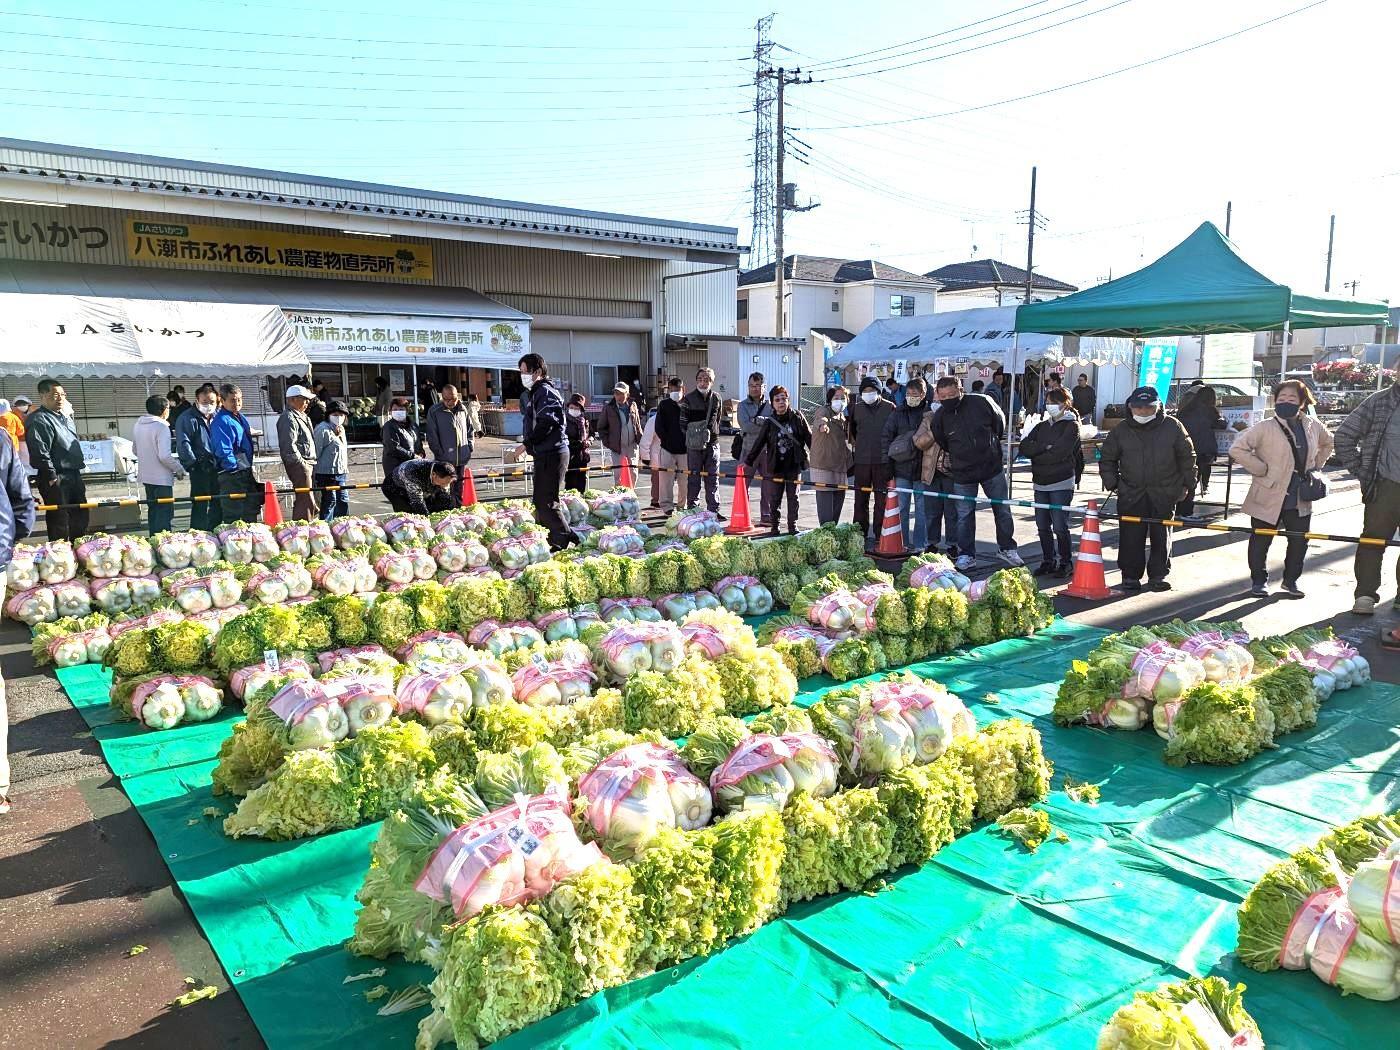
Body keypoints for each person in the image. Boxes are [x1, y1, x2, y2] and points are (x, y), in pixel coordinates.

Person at [1228, 380, 1332, 599]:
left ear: (1302, 402)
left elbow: (1329, 442)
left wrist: (1315, 466)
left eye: (1292, 399)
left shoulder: (1313, 425)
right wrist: (1260, 468)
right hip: (1268, 491)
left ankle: (1291, 581)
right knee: (1261, 540)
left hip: (1300, 495)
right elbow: (1238, 449)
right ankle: (1259, 582)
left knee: (1299, 540)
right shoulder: (1264, 427)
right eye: (1281, 398)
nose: (1286, 402)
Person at [1099, 386, 1195, 593]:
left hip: (1165, 491)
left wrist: (1188, 485)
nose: (1143, 412)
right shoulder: (1121, 430)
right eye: (1138, 407)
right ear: (1131, 407)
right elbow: (1107, 459)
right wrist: (1114, 484)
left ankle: (1158, 575)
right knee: (1130, 535)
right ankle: (1130, 576)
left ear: (1158, 406)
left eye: (1148, 408)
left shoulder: (1173, 426)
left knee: (1162, 535)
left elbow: (1188, 458)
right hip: (1131, 492)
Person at [931, 376, 1022, 571]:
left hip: (991, 467)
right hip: (962, 472)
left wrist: (990, 447)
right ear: (938, 395)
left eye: (952, 395)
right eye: (944, 396)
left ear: (961, 390)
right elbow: (942, 441)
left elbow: (1000, 424)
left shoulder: (981, 401)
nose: (948, 399)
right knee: (964, 515)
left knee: (1002, 509)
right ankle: (966, 554)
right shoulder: (939, 417)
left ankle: (1007, 548)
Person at [1332, 376, 1400, 615]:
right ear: (1397, 372)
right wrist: (1362, 471)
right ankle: (1365, 595)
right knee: (1373, 541)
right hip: (1385, 485)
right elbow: (1344, 435)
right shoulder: (1379, 401)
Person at [1017, 388, 1086, 578]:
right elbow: (1025, 446)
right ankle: (1048, 560)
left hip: (1061, 481)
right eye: (1048, 401)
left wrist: (1038, 454)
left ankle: (1066, 562)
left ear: (1065, 404)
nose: (1050, 405)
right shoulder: (1041, 426)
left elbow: (1060, 452)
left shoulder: (1071, 426)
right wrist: (1043, 448)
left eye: (1054, 401)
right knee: (1042, 525)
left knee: (1060, 525)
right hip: (1040, 482)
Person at [518, 353, 574, 550]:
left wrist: (526, 444)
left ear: (538, 372)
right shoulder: (536, 392)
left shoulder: (545, 392)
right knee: (541, 500)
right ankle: (555, 538)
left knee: (547, 500)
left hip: (553, 452)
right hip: (544, 453)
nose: (522, 376)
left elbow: (547, 422)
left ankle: (563, 539)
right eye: (521, 372)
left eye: (525, 372)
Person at [26, 378, 89, 542]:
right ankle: (59, 556)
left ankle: (79, 551)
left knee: (80, 515)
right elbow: (40, 451)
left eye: (62, 394)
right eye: (55, 394)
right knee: (60, 519)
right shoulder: (39, 419)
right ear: (43, 396)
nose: (60, 398)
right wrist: (51, 476)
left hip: (73, 473)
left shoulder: (64, 417)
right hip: (56, 476)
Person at [746, 385, 811, 535]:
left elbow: (809, 438)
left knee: (793, 497)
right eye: (777, 400)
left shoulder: (798, 417)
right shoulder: (769, 422)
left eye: (784, 399)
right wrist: (748, 461)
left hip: (794, 465)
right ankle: (775, 527)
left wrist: (819, 457)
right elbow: (759, 442)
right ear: (772, 403)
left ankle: (792, 526)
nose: (781, 402)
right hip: (776, 465)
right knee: (774, 498)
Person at [882, 377, 932, 552]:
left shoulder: (930, 413)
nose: (911, 397)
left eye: (915, 394)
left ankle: (920, 545)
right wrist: (886, 464)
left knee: (922, 510)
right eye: (909, 393)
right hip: (901, 468)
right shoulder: (898, 413)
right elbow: (886, 437)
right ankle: (901, 543)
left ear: (923, 394)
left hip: (923, 470)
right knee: (901, 508)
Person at [849, 376, 895, 547]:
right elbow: (852, 431)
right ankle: (858, 534)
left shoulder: (890, 408)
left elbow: (894, 432)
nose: (868, 394)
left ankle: (879, 534)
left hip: (882, 461)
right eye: (865, 391)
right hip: (861, 461)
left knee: (881, 500)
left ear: (879, 391)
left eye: (872, 391)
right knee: (860, 500)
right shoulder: (856, 408)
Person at [132, 395, 186, 536]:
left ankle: (153, 543)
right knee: (164, 513)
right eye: (168, 407)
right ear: (164, 409)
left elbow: (135, 450)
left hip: (146, 476)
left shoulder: (138, 424)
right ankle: (163, 545)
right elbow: (165, 456)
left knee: (153, 511)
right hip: (161, 478)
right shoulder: (162, 426)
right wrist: (179, 469)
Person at [912, 395, 959, 556]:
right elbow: (918, 442)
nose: (938, 403)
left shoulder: (957, 417)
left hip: (952, 472)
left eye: (942, 400)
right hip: (931, 472)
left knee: (952, 511)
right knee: (931, 511)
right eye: (936, 400)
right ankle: (932, 543)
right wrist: (934, 430)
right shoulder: (928, 419)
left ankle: (953, 544)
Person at [209, 383, 260, 524]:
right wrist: (234, 468)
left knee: (250, 509)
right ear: (222, 401)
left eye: (239, 399)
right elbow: (223, 449)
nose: (237, 403)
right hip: (232, 473)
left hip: (244, 468)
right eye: (232, 400)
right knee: (234, 513)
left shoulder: (239, 416)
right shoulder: (221, 421)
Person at [1175, 384, 1226, 515]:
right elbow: (1221, 425)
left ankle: (1178, 509)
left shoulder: (1186, 409)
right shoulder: (1210, 411)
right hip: (1203, 450)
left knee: (1184, 479)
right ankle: (1186, 512)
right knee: (1193, 480)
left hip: (1183, 448)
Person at [176, 384, 221, 532]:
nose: (208, 405)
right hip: (199, 467)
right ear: (197, 400)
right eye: (205, 402)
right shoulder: (187, 418)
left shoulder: (219, 416)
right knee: (200, 504)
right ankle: (197, 534)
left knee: (218, 502)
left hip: (218, 466)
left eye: (212, 402)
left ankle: (216, 533)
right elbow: (183, 444)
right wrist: (193, 464)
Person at [681, 367, 724, 517]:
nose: (703, 382)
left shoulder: (717, 398)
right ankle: (693, 509)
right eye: (700, 379)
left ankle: (714, 510)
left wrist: (709, 435)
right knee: (694, 477)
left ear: (712, 382)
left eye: (706, 380)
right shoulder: (688, 398)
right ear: (696, 381)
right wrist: (694, 436)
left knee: (713, 477)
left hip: (712, 443)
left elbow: (717, 420)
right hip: (693, 446)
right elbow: (683, 422)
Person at [809, 385, 854, 525]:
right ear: (830, 399)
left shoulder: (842, 417)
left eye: (843, 398)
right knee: (826, 508)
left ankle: (832, 533)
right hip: (824, 465)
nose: (839, 401)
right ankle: (825, 534)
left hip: (840, 465)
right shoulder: (824, 410)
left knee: (838, 504)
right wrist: (823, 426)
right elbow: (820, 419)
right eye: (836, 397)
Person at [425, 384, 474, 505]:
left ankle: (458, 510)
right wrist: (440, 454)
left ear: (457, 396)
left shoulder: (463, 409)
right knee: (445, 490)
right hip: (444, 460)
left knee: (459, 489)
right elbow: (432, 436)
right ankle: (447, 513)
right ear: (442, 397)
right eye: (445, 399)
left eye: (452, 399)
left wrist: (469, 447)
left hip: (461, 458)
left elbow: (470, 430)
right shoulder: (435, 411)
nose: (449, 402)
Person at [734, 373, 772, 525]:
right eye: (752, 386)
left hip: (767, 450)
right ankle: (742, 514)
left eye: (758, 386)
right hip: (748, 450)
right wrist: (764, 424)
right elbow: (745, 426)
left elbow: (774, 425)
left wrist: (758, 420)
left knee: (769, 484)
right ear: (748, 387)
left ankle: (767, 516)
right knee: (743, 484)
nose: (755, 389)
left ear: (764, 387)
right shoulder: (742, 405)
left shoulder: (771, 405)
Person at [277, 384, 318, 521]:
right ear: (292, 400)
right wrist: (302, 464)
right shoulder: (288, 417)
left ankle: (306, 526)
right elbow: (288, 446)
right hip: (301, 464)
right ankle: (301, 530)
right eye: (304, 399)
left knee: (309, 500)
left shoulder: (302, 416)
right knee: (305, 500)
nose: (307, 402)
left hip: (308, 462)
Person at [597, 381, 642, 485]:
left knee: (633, 473)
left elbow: (638, 425)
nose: (618, 396)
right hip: (617, 447)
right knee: (619, 475)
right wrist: (608, 443)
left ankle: (631, 497)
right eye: (616, 393)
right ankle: (620, 498)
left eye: (621, 393)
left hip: (632, 445)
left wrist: (641, 440)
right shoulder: (609, 408)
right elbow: (601, 427)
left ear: (627, 394)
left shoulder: (633, 405)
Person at [654, 377, 687, 512]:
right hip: (667, 448)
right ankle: (667, 506)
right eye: (672, 390)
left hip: (685, 450)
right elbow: (659, 426)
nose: (674, 392)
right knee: (665, 480)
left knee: (684, 481)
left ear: (683, 389)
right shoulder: (664, 404)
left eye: (677, 389)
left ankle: (682, 505)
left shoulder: (688, 404)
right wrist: (665, 440)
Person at [313, 400, 350, 521]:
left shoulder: (341, 429)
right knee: (330, 501)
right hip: (326, 473)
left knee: (343, 500)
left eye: (341, 415)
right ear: (328, 415)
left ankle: (342, 526)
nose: (338, 417)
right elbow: (315, 453)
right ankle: (326, 528)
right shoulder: (322, 429)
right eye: (335, 415)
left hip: (341, 472)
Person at [385, 458, 457, 514]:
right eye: (444, 483)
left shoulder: (443, 470)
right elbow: (417, 503)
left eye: (449, 483)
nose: (446, 485)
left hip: (422, 484)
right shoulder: (413, 473)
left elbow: (445, 496)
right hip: (395, 487)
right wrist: (427, 521)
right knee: (409, 513)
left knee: (447, 501)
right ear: (434, 475)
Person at [565, 392, 591, 492]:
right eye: (572, 407)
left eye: (577, 408)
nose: (574, 410)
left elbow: (591, 434)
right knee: (570, 483)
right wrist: (578, 443)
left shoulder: (585, 419)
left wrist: (589, 441)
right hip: (569, 455)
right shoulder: (564, 419)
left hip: (583, 455)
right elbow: (563, 437)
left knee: (581, 482)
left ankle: (580, 504)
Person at [641, 404, 661, 509]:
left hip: (670, 456)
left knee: (668, 481)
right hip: (656, 456)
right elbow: (646, 440)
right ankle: (655, 500)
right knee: (657, 480)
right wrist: (645, 457)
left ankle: (664, 500)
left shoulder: (672, 417)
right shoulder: (653, 420)